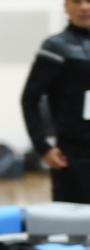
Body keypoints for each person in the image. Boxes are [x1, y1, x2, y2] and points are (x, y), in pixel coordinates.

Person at [21, 0, 90, 203]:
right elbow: (30, 97)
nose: (84, 7)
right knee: (73, 226)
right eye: (77, 1)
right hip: (72, 156)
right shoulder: (56, 47)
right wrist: (43, 147)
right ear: (66, 6)